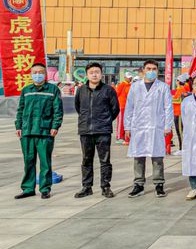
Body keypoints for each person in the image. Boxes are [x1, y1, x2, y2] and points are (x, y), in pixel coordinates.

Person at [124, 60, 174, 198]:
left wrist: (167, 126)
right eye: (148, 68)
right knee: (138, 156)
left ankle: (159, 184)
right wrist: (127, 126)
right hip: (138, 126)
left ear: (157, 71)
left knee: (157, 157)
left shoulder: (163, 87)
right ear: (143, 70)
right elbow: (129, 108)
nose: (151, 71)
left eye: (154, 69)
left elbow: (168, 108)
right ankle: (138, 184)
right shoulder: (135, 87)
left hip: (156, 126)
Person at [14, 63, 64, 199]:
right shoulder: (26, 90)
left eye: (40, 72)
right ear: (31, 74)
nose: (37, 75)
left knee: (45, 162)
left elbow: (58, 111)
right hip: (27, 131)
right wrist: (18, 126)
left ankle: (45, 189)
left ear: (45, 74)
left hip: (45, 131)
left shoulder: (53, 90)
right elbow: (20, 110)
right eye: (34, 72)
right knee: (28, 161)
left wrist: (55, 126)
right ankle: (28, 189)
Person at [74, 62, 120, 198]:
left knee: (105, 160)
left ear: (101, 74)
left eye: (97, 72)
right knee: (86, 160)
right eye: (91, 72)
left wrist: (104, 121)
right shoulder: (81, 90)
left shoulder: (108, 90)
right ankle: (86, 187)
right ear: (87, 75)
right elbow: (78, 107)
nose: (94, 74)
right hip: (85, 130)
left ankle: (105, 187)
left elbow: (115, 109)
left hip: (103, 131)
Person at [171, 74, 190, 155]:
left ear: (178, 81)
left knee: (180, 131)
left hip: (179, 113)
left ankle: (182, 149)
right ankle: (182, 148)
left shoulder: (181, 89)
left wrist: (170, 99)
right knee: (180, 131)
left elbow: (178, 101)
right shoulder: (181, 89)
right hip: (178, 113)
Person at [115, 71, 132, 144]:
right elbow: (116, 94)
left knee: (126, 122)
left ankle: (125, 137)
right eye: (128, 78)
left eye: (130, 77)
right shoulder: (122, 84)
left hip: (128, 106)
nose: (130, 79)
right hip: (121, 106)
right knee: (121, 122)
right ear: (125, 78)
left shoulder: (130, 85)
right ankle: (119, 137)